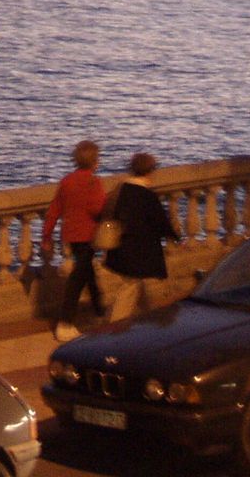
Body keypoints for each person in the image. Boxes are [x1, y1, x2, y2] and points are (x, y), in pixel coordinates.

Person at [103, 152, 181, 322]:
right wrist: (174, 236)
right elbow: (160, 221)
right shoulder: (147, 195)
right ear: (150, 171)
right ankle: (115, 323)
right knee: (132, 286)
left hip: (122, 246)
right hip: (139, 249)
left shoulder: (121, 190)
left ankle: (146, 316)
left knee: (135, 283)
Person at [41, 139, 107, 340]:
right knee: (78, 279)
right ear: (94, 161)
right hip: (88, 236)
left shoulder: (67, 181)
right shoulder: (93, 182)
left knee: (88, 273)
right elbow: (97, 209)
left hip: (70, 235)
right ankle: (65, 322)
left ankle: (100, 311)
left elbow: (54, 210)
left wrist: (46, 235)